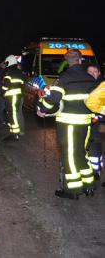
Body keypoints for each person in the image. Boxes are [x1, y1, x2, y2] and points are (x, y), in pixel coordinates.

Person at [37, 49, 96, 199]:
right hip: (86, 123)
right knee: (81, 153)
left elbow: (52, 98)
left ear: (65, 61)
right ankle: (89, 185)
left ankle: (73, 190)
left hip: (68, 123)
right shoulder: (90, 78)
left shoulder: (63, 78)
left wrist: (42, 109)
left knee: (69, 155)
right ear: (80, 59)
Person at [85, 64, 103, 183]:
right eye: (90, 72)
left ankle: (96, 172)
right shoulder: (83, 86)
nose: (92, 74)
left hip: (98, 124)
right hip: (84, 122)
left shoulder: (102, 87)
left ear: (99, 73)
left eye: (95, 72)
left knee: (95, 147)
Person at [1, 55, 25, 141]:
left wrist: (2, 93)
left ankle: (15, 134)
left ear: (9, 62)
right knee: (11, 114)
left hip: (11, 96)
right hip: (16, 96)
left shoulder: (9, 72)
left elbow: (5, 86)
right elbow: (23, 85)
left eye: (6, 63)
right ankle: (12, 133)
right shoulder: (19, 72)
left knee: (13, 114)